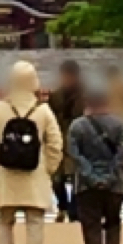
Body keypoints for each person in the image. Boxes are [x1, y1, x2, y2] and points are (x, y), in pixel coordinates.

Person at [0, 62, 63, 244]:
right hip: (35, 177)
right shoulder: (42, 111)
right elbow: (56, 144)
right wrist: (47, 169)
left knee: (5, 223)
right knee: (35, 224)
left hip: (6, 178)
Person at [69, 87, 123, 244]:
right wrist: (110, 175)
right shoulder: (119, 124)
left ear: (88, 103)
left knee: (91, 226)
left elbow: (75, 155)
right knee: (113, 223)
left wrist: (91, 176)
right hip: (115, 184)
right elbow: (122, 153)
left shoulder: (77, 126)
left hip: (86, 186)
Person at [47, 59, 85, 222]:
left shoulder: (85, 94)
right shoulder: (56, 96)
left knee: (78, 177)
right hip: (59, 139)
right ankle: (63, 206)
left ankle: (74, 210)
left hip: (79, 140)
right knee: (56, 178)